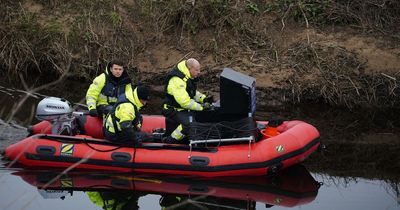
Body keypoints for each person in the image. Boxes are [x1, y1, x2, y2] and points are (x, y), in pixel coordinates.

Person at [162, 58, 214, 144]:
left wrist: (203, 98)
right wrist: (201, 107)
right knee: (189, 124)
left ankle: (194, 138)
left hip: (182, 108)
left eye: (199, 70)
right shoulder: (177, 80)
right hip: (173, 109)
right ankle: (169, 140)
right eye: (197, 70)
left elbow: (191, 92)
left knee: (200, 117)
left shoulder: (187, 76)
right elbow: (185, 102)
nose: (199, 72)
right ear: (189, 68)